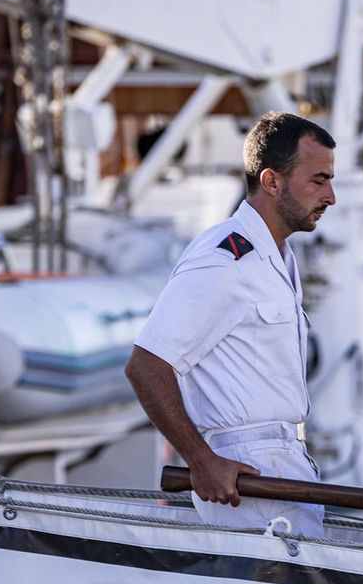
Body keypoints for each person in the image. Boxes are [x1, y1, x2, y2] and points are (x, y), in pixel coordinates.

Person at [125, 112, 336, 535]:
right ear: (272, 181)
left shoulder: (273, 259)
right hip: (244, 478)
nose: (331, 196)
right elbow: (147, 366)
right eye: (318, 181)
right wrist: (202, 462)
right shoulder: (225, 258)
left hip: (283, 467)